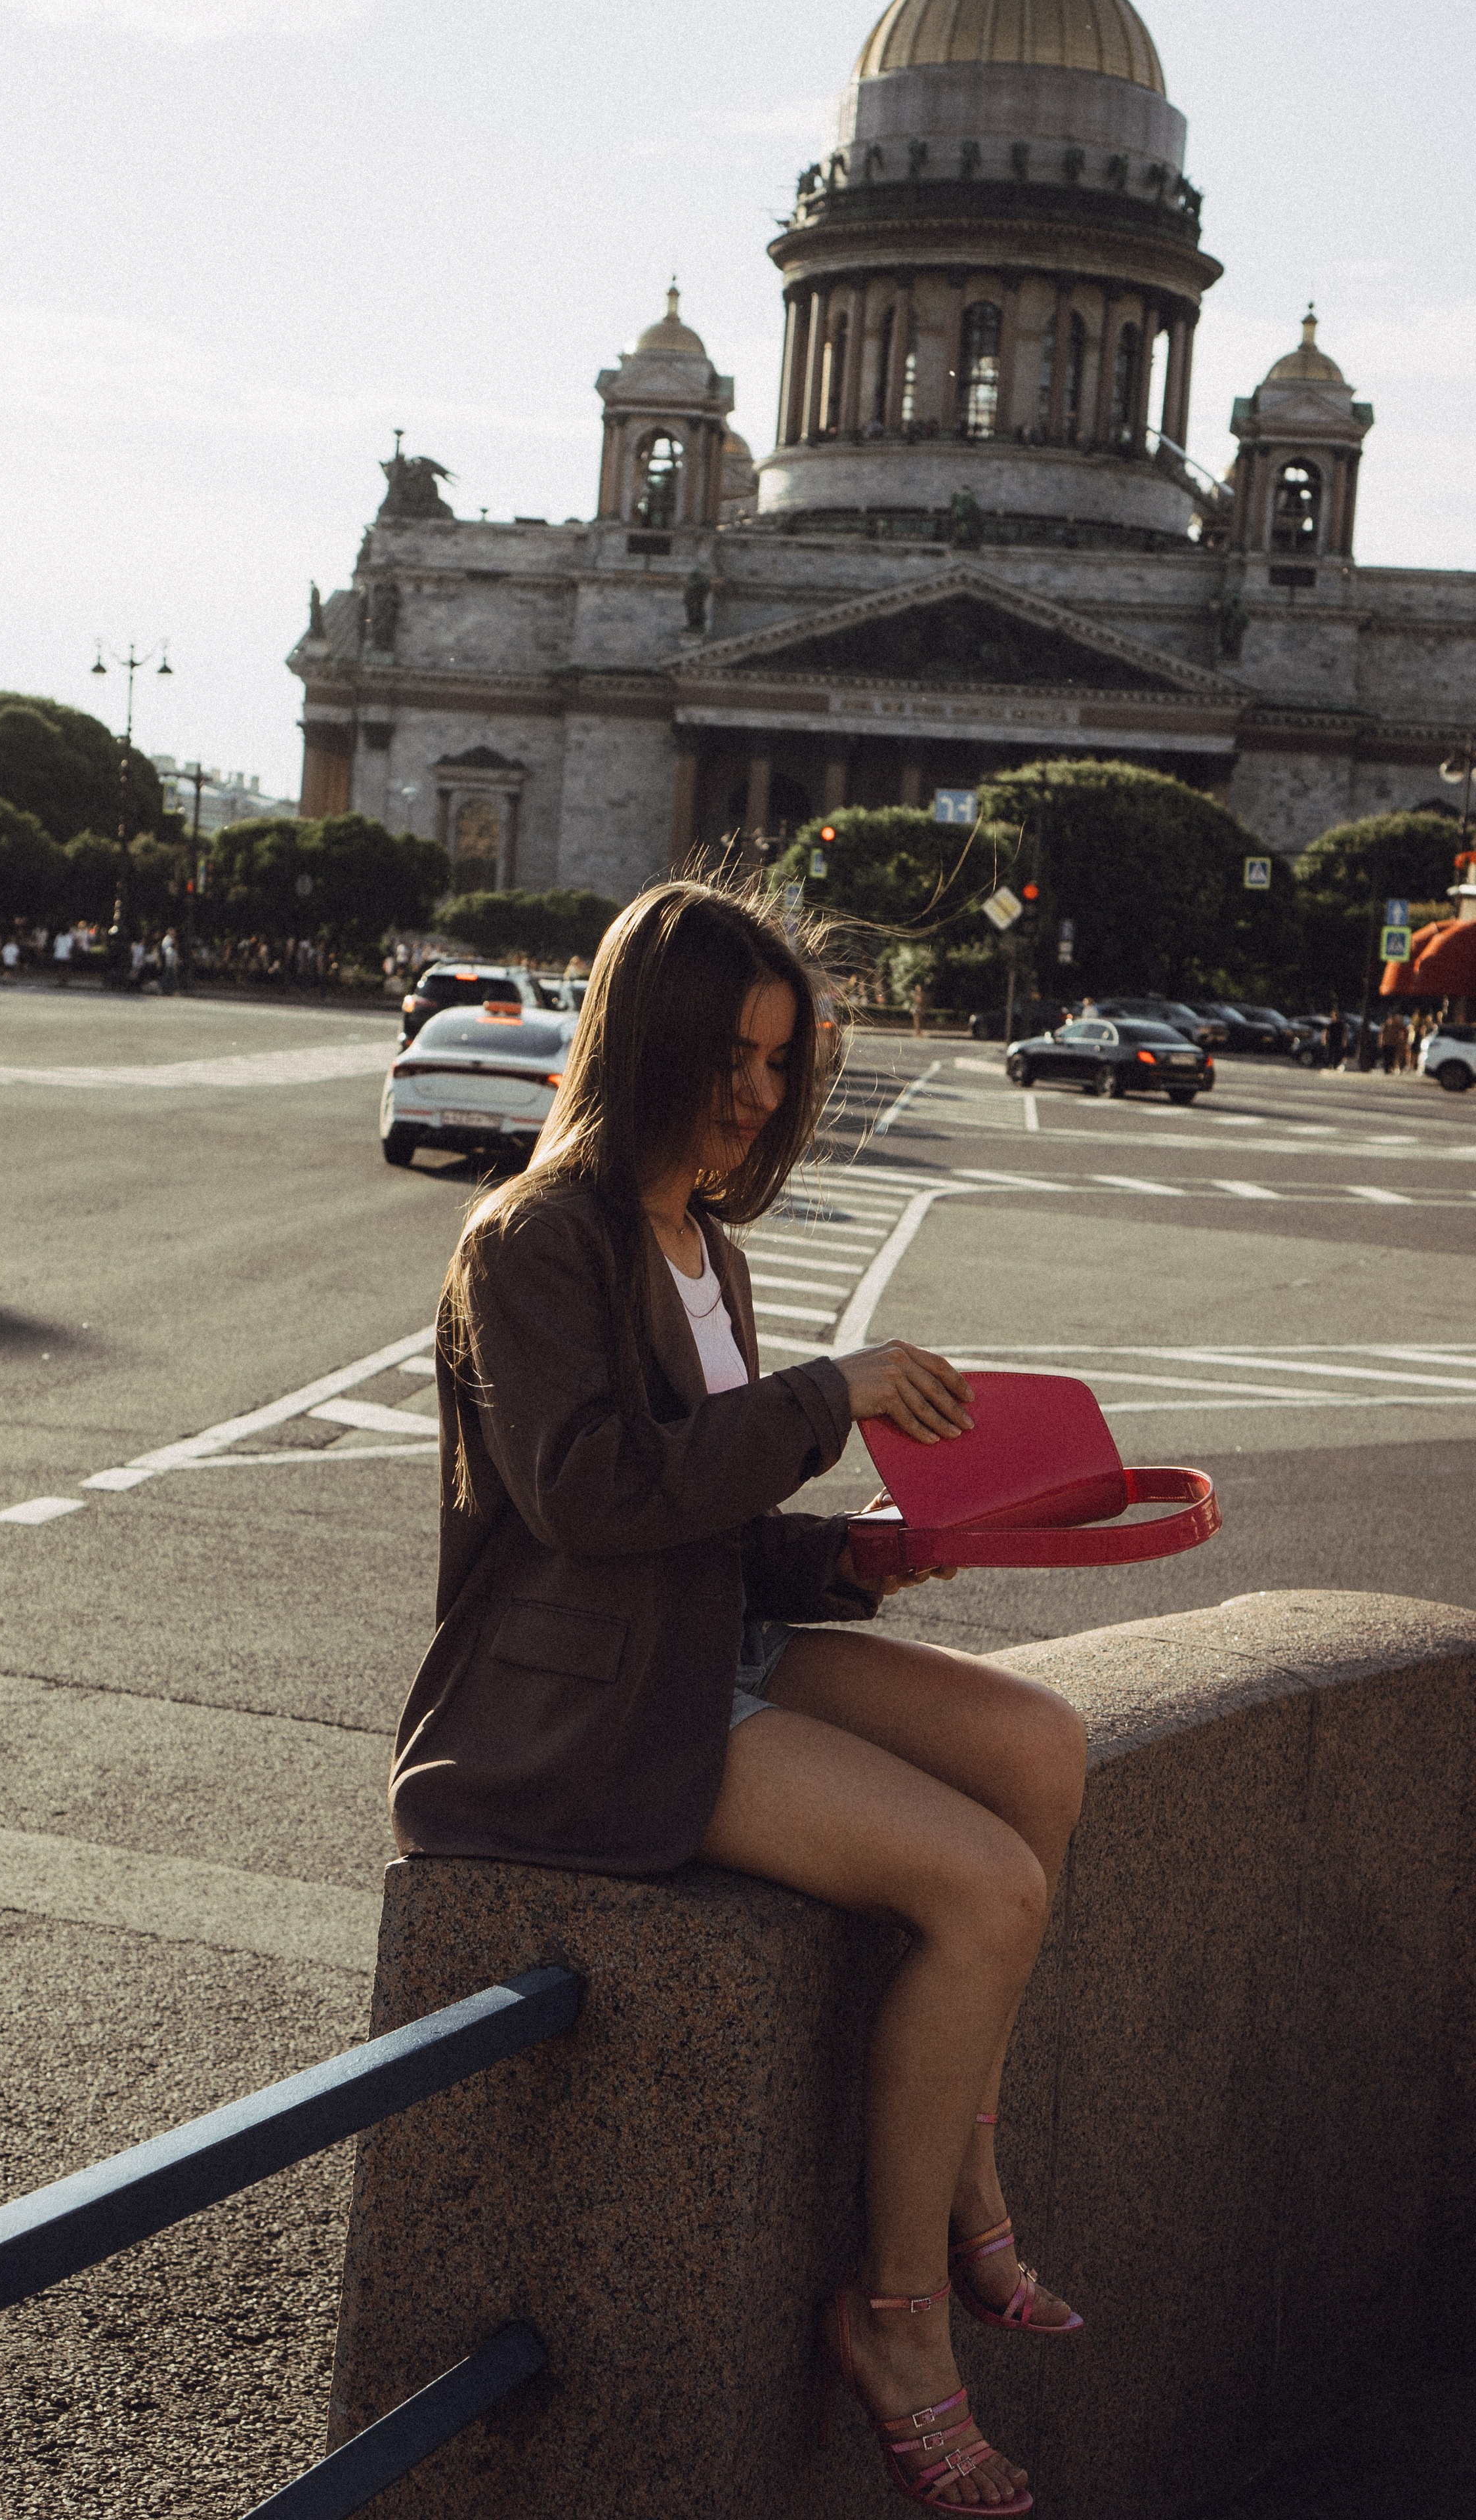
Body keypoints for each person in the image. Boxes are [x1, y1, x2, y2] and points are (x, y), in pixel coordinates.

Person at [392, 883, 1087, 2513]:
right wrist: (819, 1396)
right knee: (984, 1888)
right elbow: (588, 1499)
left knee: (1038, 1747)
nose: (758, 1096)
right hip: (576, 1711)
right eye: (728, 1057)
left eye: (780, 1063)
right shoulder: (531, 1238)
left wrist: (850, 1558)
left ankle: (960, 2150)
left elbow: (697, 1515)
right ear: (644, 1045)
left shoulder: (702, 1242)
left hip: (704, 1643)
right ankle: (898, 2316)